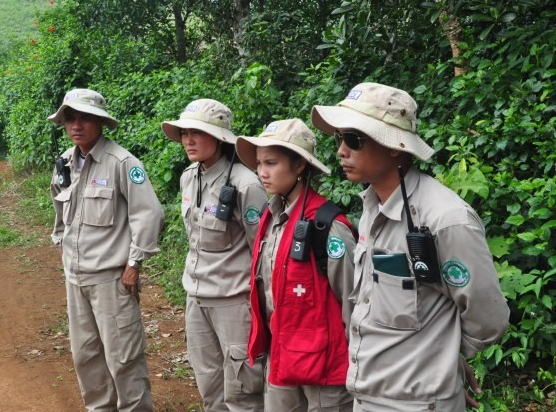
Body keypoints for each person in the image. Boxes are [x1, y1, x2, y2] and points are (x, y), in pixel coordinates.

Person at [311, 82, 510, 412]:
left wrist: (443, 363)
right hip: (368, 393)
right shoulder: (374, 206)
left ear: (393, 146)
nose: (341, 152)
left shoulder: (444, 219)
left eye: (353, 140)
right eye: (339, 138)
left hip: (415, 403)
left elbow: (488, 317)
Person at [49, 88, 165, 411]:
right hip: (76, 280)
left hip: (112, 280)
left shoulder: (122, 163)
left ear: (100, 121)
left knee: (123, 359)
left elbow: (150, 213)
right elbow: (60, 210)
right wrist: (62, 242)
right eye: (70, 117)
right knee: (86, 357)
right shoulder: (65, 164)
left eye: (84, 117)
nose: (76, 124)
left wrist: (134, 263)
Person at [236, 118, 357, 412]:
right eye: (259, 163)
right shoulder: (271, 216)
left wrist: (358, 362)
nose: (262, 172)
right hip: (282, 354)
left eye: (272, 163)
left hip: (324, 366)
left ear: (300, 165)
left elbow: (353, 299)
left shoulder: (327, 225)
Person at [161, 99, 266, 412]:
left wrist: (261, 306)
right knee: (209, 387)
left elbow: (260, 248)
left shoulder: (246, 184)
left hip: (234, 303)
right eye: (184, 133)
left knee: (243, 393)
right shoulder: (189, 176)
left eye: (198, 132)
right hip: (196, 298)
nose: (189, 140)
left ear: (220, 137)